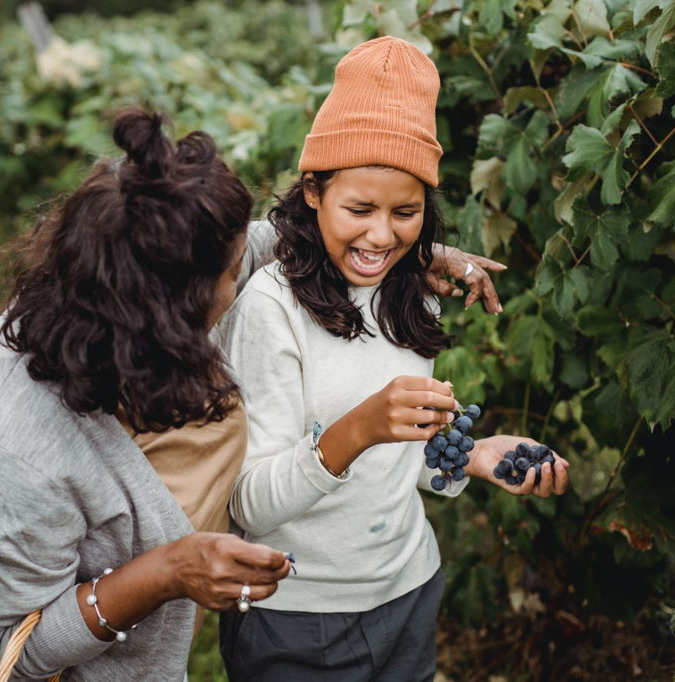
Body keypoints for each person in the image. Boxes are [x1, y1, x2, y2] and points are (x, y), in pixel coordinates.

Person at [216, 36, 570, 681]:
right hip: (297, 616)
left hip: (408, 590)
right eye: (360, 209)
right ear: (314, 192)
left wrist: (471, 455)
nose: (382, 236)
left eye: (406, 213)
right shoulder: (271, 309)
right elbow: (246, 504)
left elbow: (398, 462)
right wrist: (358, 429)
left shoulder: (412, 296)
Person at [0, 109, 292, 682]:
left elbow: (251, 247)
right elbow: (9, 653)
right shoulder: (9, 451)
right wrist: (169, 571)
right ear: (167, 311)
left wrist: (404, 262)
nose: (241, 277)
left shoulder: (106, 292)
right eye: (230, 274)